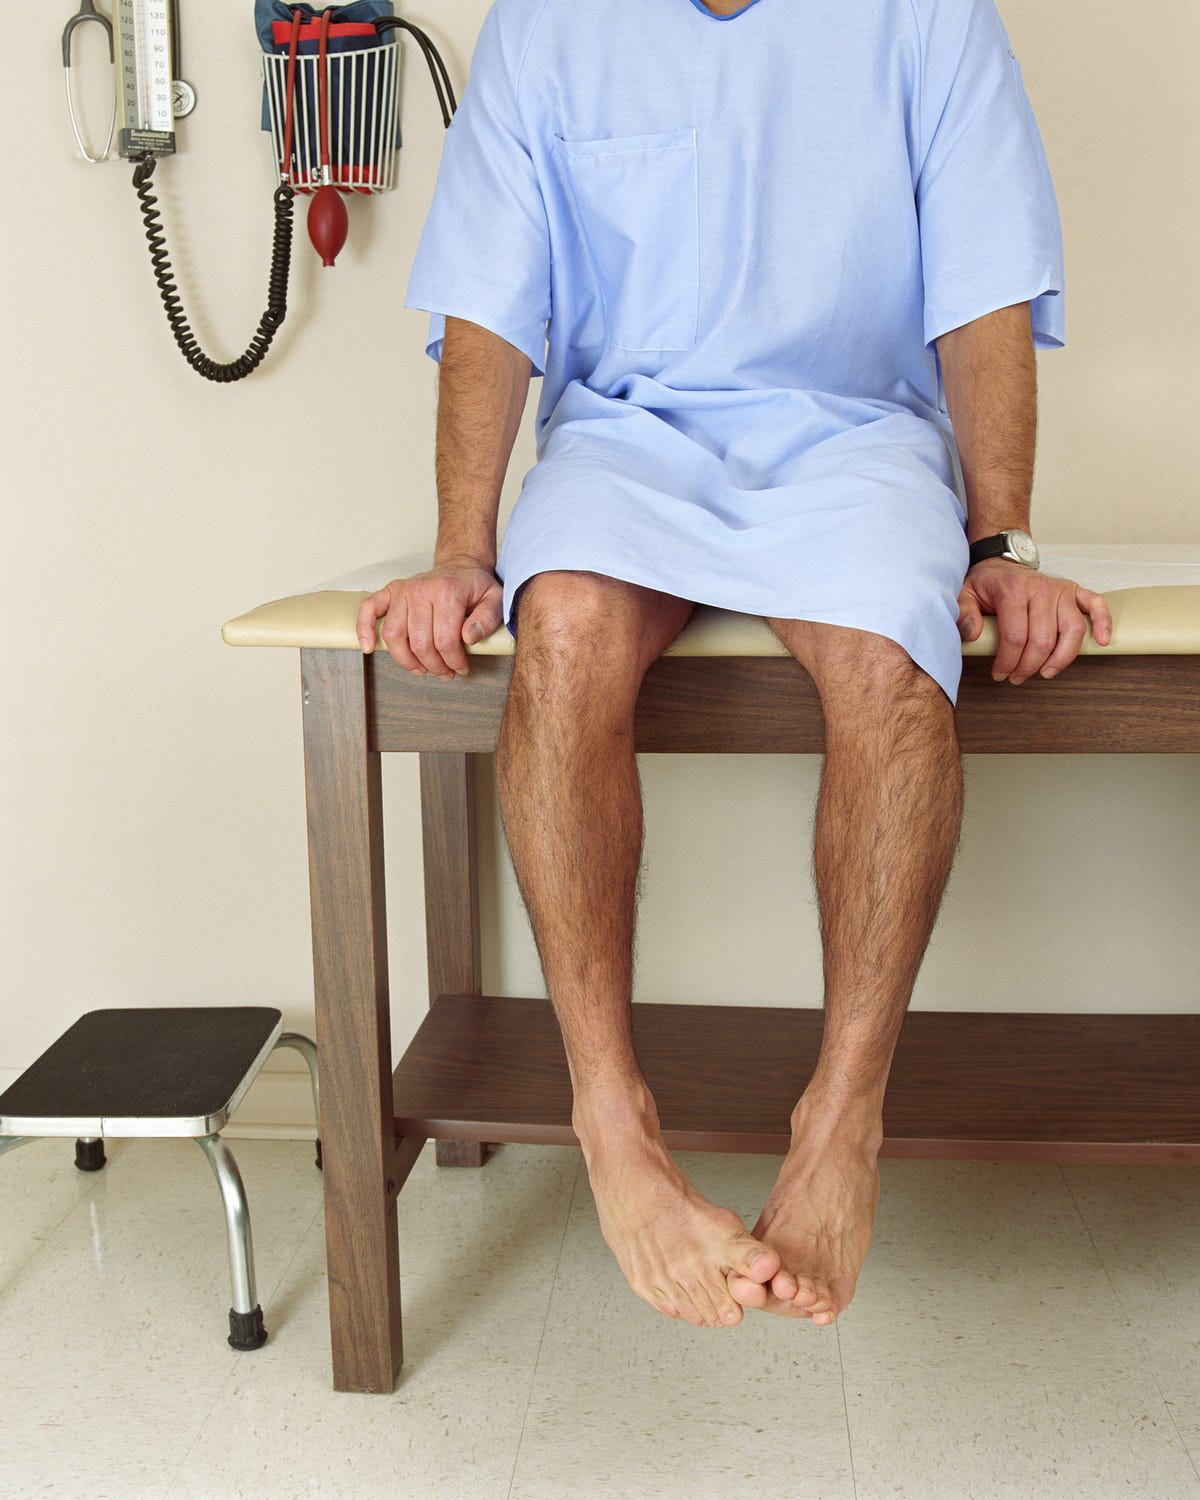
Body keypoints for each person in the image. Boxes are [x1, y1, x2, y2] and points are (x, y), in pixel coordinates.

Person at [357, 0, 1113, 1331]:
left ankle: (843, 1118)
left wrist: (1001, 539)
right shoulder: (545, 26)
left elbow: (983, 284)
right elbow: (491, 302)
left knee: (894, 651)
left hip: (856, 441)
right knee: (568, 626)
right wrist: (461, 552)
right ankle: (610, 1114)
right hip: (628, 441)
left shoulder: (927, 18)